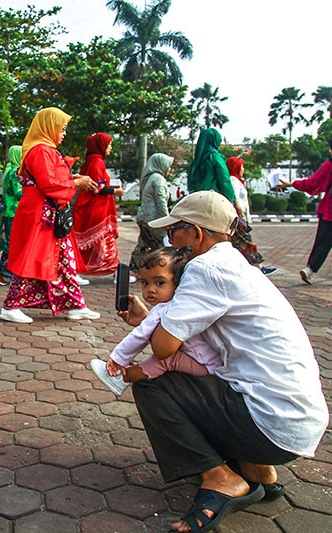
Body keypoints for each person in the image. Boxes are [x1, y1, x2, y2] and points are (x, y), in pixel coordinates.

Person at [127, 190, 327, 533]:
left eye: (174, 231)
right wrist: (149, 319)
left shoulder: (204, 268)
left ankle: (220, 478)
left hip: (270, 425)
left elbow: (163, 349)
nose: (170, 241)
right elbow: (194, 344)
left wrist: (152, 324)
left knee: (152, 383)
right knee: (201, 375)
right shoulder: (237, 265)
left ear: (196, 233)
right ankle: (256, 468)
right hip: (294, 420)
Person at [0, 107, 102, 324]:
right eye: (61, 128)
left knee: (63, 261)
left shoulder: (43, 150)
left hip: (48, 215)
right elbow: (49, 184)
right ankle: (10, 306)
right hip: (41, 215)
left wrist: (73, 178)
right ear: (48, 127)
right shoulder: (41, 150)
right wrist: (76, 182)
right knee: (32, 259)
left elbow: (50, 179)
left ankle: (75, 305)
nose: (63, 133)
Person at [90, 247, 221, 395]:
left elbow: (140, 335)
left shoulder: (163, 309)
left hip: (204, 366)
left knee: (167, 360)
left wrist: (118, 359)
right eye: (145, 283)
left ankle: (122, 378)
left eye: (159, 283)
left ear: (178, 283)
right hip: (212, 363)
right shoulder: (186, 304)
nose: (151, 289)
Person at [277, 138, 332, 284]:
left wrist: (292, 184)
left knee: (323, 241)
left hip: (329, 209)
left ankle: (310, 269)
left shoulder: (329, 164)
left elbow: (312, 183)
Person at [72, 132, 125, 278]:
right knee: (105, 241)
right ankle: (114, 272)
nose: (111, 148)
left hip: (95, 208)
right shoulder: (96, 162)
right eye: (109, 145)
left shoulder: (92, 161)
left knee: (95, 243)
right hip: (97, 209)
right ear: (101, 146)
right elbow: (96, 187)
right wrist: (115, 191)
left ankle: (78, 270)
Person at [226, 157, 276, 276]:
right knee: (246, 243)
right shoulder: (233, 180)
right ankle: (258, 268)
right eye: (241, 167)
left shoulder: (237, 180)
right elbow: (235, 198)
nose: (243, 169)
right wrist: (240, 213)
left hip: (239, 218)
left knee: (237, 245)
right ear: (235, 167)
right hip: (238, 219)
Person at [129, 153, 174, 274]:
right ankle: (161, 270)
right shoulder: (158, 179)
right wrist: (166, 220)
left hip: (144, 218)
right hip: (153, 220)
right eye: (168, 165)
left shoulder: (150, 178)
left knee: (143, 245)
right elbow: (161, 201)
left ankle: (134, 269)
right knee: (161, 246)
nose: (169, 169)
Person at [187, 128, 245, 219]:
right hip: (212, 200)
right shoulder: (215, 157)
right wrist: (234, 201)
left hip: (196, 200)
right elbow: (224, 180)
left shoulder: (196, 162)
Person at [0, 145, 22, 286]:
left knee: (11, 243)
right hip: (14, 213)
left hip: (9, 212)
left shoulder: (8, 170)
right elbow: (19, 193)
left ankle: (7, 271)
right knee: (14, 244)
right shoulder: (15, 173)